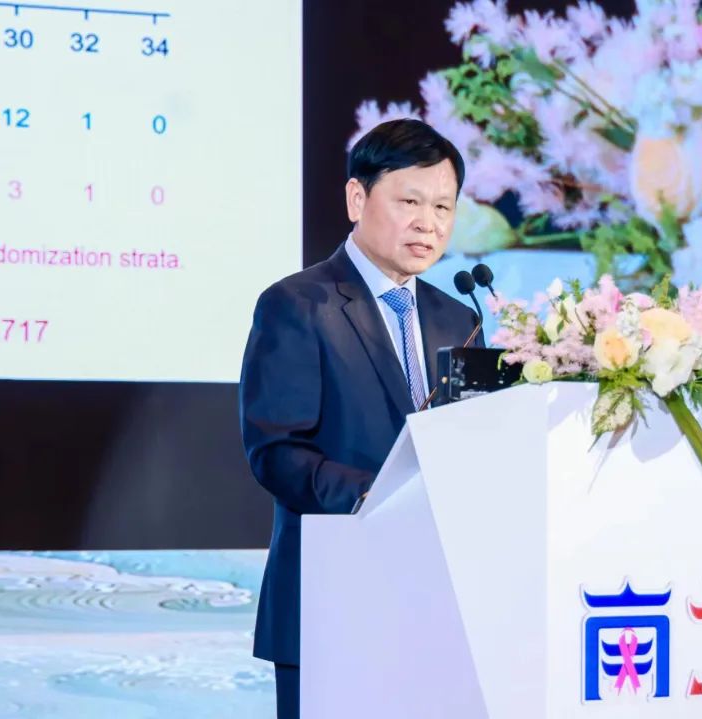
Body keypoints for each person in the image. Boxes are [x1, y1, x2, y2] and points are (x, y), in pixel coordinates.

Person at [238, 119, 483, 719]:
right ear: (357, 198)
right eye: (409, 202)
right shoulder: (299, 304)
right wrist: (377, 496)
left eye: (443, 207)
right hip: (332, 598)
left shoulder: (460, 319)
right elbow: (277, 450)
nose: (428, 223)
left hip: (437, 605)